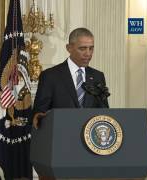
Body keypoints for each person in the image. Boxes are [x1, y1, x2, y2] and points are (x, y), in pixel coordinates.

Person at [32, 27, 109, 180]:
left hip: (90, 148)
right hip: (61, 149)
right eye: (83, 48)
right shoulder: (50, 76)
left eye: (91, 48)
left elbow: (104, 111)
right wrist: (40, 117)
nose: (88, 53)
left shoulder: (98, 76)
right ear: (69, 48)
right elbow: (39, 112)